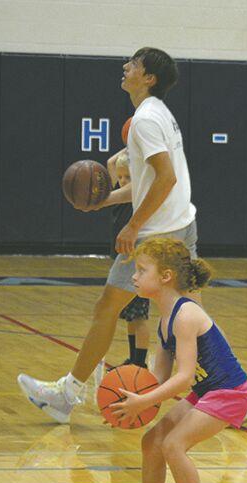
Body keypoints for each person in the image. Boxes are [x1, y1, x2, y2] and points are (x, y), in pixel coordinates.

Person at [17, 47, 247, 424]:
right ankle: (244, 394)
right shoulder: (156, 114)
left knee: (106, 309)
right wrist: (105, 202)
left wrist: (132, 227)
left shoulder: (147, 120)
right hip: (182, 223)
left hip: (158, 235)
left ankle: (66, 395)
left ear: (148, 77)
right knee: (195, 317)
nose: (125, 67)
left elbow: (165, 179)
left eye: (133, 64)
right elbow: (148, 184)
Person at [106, 237, 247, 483]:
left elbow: (184, 377)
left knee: (173, 444)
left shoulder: (186, 315)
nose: (134, 276)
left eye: (142, 270)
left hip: (229, 392)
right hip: (207, 392)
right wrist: (128, 404)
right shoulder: (164, 322)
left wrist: (143, 402)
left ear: (165, 276)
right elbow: (158, 379)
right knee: (151, 441)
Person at [107, 150, 151, 367]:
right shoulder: (117, 191)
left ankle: (140, 363)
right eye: (121, 177)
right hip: (122, 260)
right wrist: (128, 145)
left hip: (139, 261)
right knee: (130, 316)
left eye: (128, 178)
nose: (122, 181)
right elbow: (111, 162)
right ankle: (133, 359)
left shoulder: (139, 195)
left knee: (140, 317)